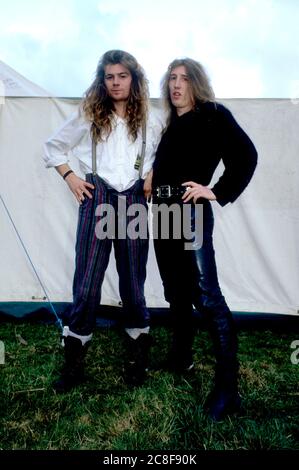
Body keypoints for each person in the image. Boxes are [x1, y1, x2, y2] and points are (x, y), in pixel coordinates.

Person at [43, 50, 163, 392]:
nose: (115, 82)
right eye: (109, 76)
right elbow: (53, 148)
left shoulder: (150, 119)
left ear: (134, 79)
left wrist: (154, 171)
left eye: (122, 76)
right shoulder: (90, 114)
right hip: (99, 198)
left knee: (133, 282)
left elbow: (164, 152)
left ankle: (137, 355)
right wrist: (70, 177)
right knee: (88, 282)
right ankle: (74, 363)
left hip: (135, 200)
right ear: (102, 80)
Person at [151, 58, 258, 421]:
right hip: (162, 211)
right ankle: (182, 358)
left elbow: (246, 156)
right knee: (175, 291)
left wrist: (215, 191)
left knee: (207, 295)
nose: (176, 85)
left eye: (183, 79)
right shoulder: (172, 124)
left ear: (196, 83)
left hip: (191, 211)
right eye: (171, 79)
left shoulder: (214, 114)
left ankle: (229, 390)